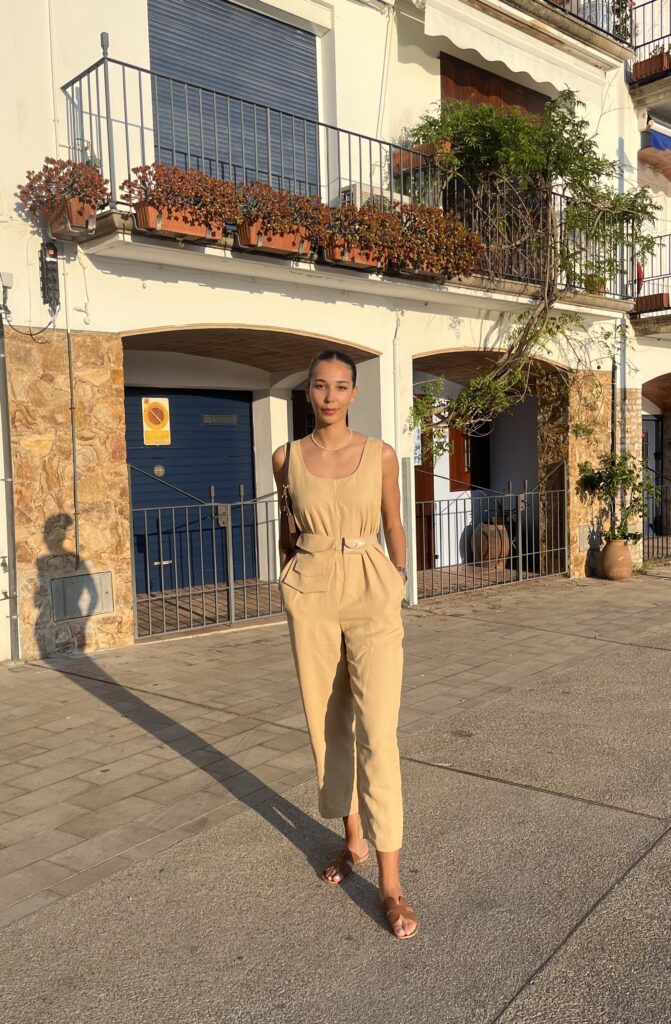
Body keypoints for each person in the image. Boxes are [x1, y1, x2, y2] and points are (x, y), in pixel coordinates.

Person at [272, 349, 418, 940]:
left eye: (340, 386)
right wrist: (293, 581)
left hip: (370, 585)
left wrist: (400, 580)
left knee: (378, 733)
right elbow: (289, 526)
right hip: (310, 589)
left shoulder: (379, 455)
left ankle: (390, 882)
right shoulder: (285, 457)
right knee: (327, 725)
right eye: (319, 386)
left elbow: (393, 520)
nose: (330, 395)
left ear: (354, 394)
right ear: (307, 393)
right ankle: (351, 836)